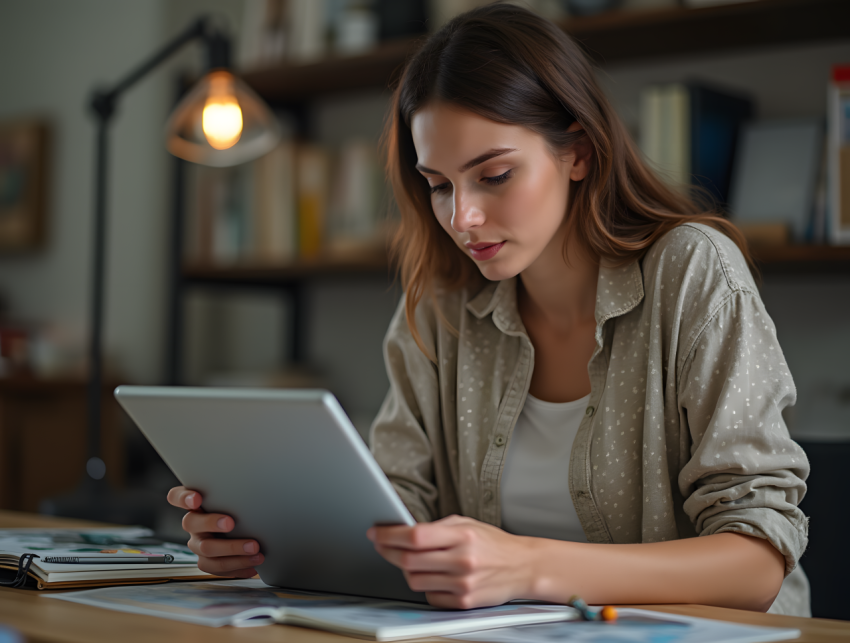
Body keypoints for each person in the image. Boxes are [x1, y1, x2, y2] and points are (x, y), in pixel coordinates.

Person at [167, 3, 810, 616]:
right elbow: (393, 516)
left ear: (578, 151)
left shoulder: (693, 270)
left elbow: (755, 565)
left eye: (494, 175)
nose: (462, 218)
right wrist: (267, 540)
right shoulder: (442, 308)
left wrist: (525, 567)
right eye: (439, 184)